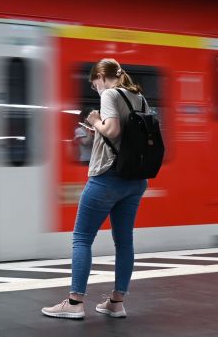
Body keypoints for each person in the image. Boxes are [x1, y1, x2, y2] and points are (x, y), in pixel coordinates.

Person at [42, 58, 149, 319]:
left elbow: (111, 130)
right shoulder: (140, 98)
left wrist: (95, 119)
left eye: (94, 85)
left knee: (82, 238)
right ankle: (116, 302)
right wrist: (98, 130)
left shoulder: (110, 94)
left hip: (107, 178)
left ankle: (75, 302)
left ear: (101, 77)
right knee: (124, 241)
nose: (96, 89)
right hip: (135, 180)